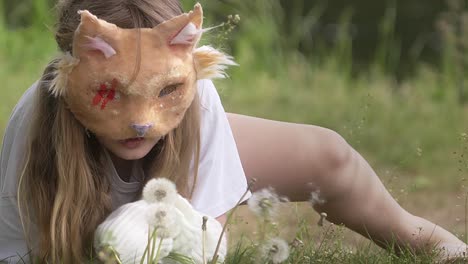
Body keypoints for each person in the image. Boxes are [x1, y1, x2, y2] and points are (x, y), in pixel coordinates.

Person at [0, 0, 465, 263]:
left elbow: (200, 244)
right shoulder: (36, 127)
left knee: (329, 156)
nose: (139, 119)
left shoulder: (197, 101)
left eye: (163, 90)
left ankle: (437, 243)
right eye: (111, 92)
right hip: (83, 192)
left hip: (180, 156)